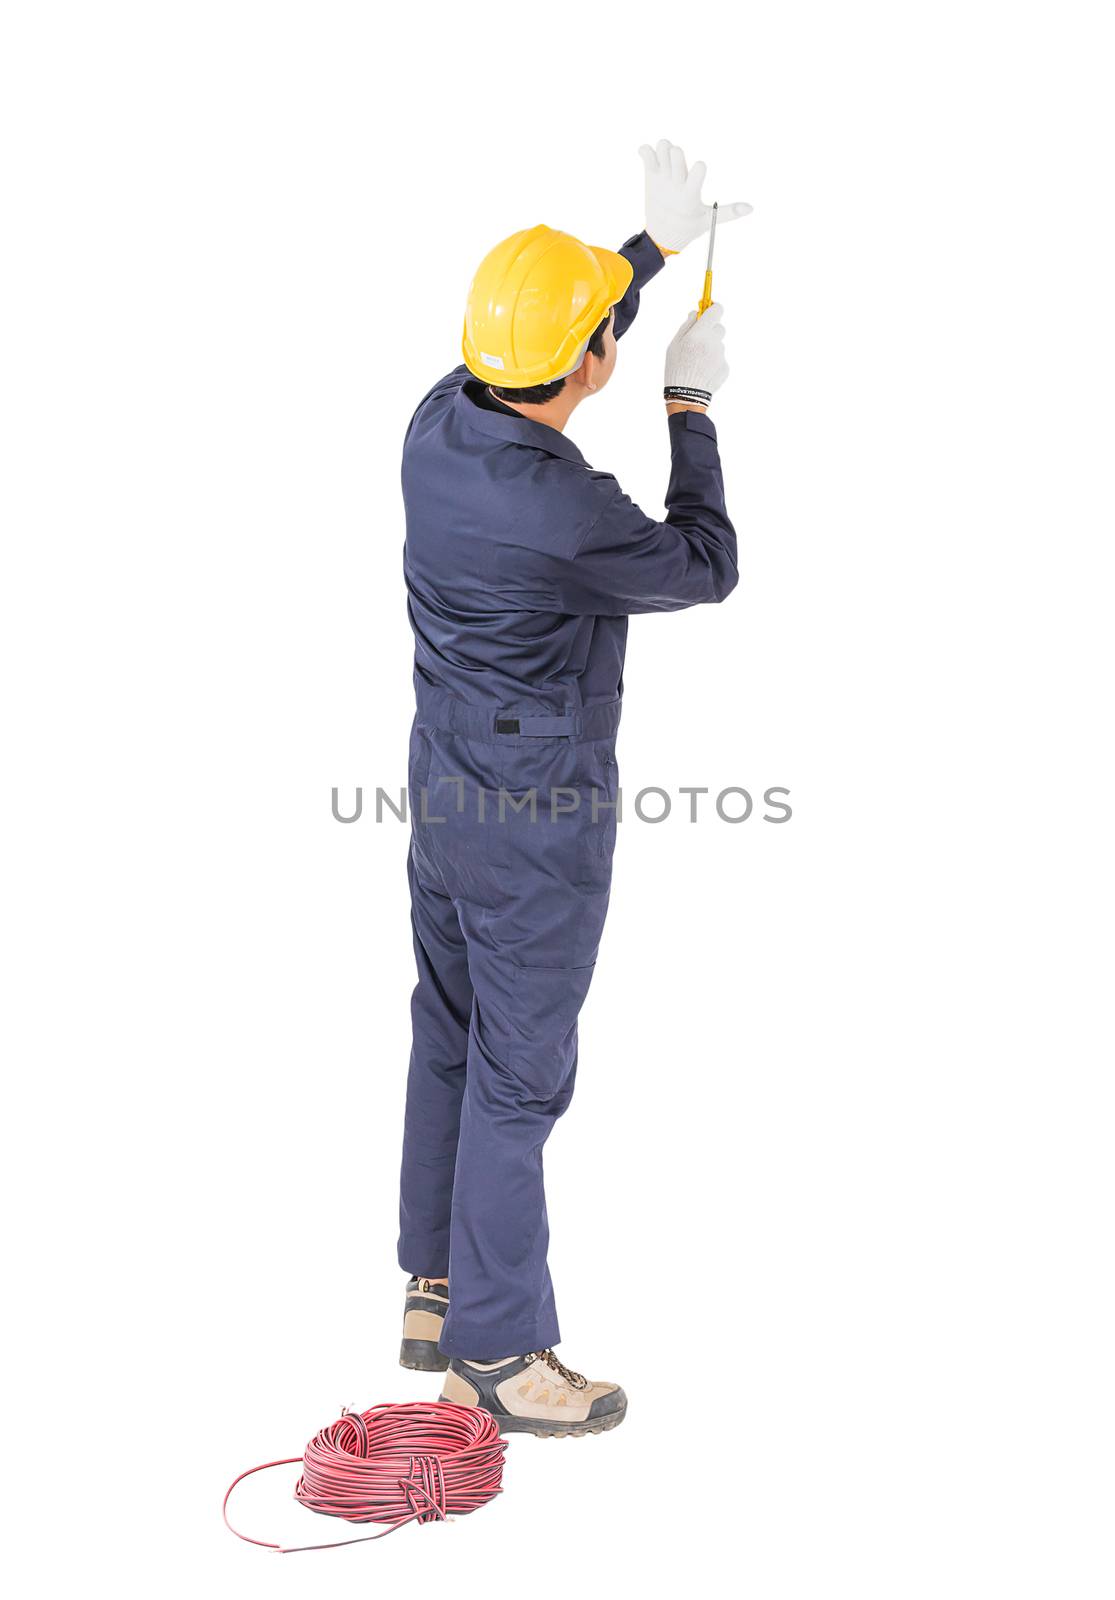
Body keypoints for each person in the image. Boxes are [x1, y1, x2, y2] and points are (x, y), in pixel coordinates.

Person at [396, 141, 748, 1438]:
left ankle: (436, 1284)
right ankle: (494, 1354)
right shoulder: (566, 514)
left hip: (441, 795)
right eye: (607, 328)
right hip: (531, 824)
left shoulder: (441, 418)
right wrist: (692, 413)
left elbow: (540, 346)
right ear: (592, 367)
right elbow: (702, 565)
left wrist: (645, 256)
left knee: (451, 1028)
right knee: (521, 1077)